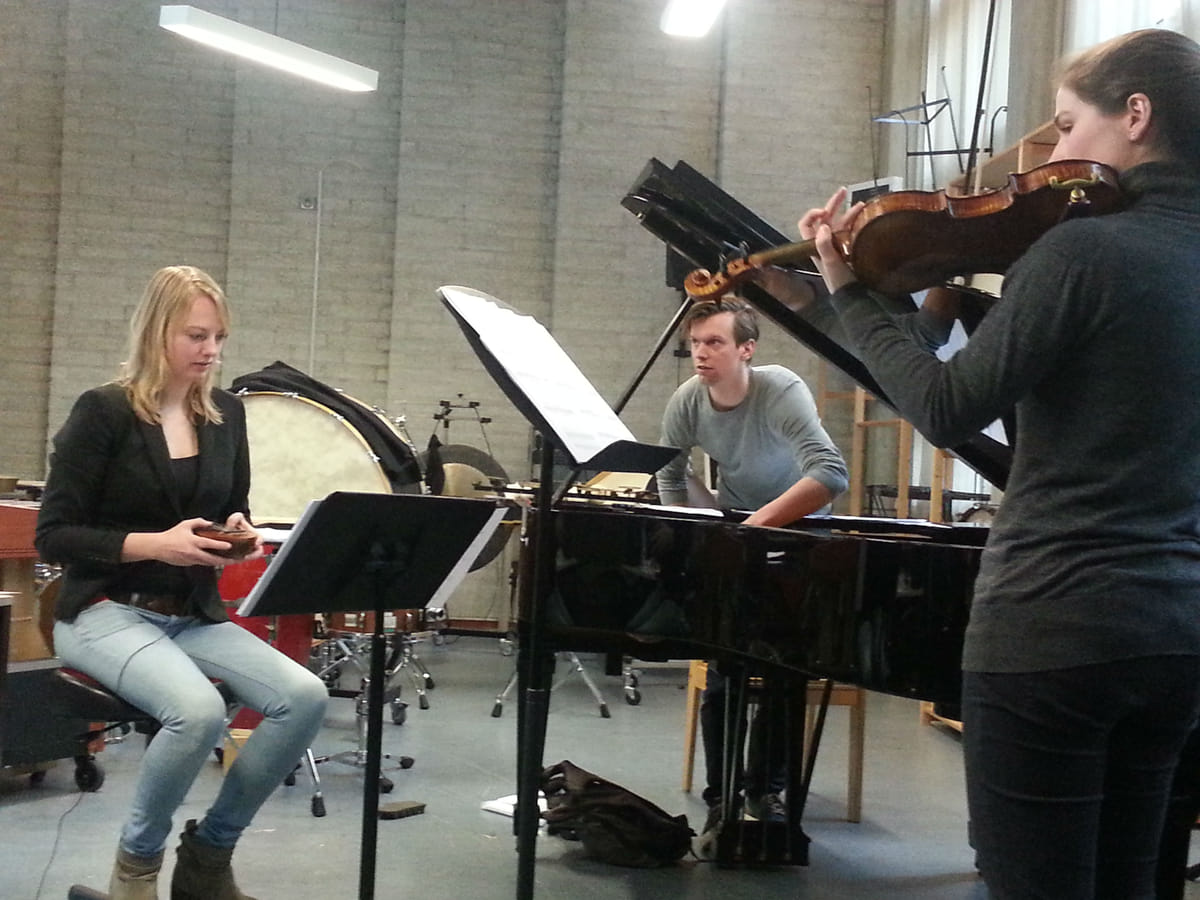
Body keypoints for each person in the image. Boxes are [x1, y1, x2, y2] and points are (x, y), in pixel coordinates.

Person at [797, 28, 1200, 899]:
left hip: (1056, 628)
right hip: (1179, 636)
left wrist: (851, 295)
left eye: (1067, 126)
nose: (1054, 157)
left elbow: (946, 407)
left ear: (1136, 114)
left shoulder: (1082, 253)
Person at [35, 265, 329, 900]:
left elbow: (234, 505)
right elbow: (53, 535)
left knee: (304, 696)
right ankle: (136, 870)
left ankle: (209, 856)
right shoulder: (103, 411)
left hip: (190, 613)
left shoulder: (226, 414)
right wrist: (157, 544)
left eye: (219, 337)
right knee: (196, 712)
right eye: (197, 335)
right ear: (157, 331)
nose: (211, 350)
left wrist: (236, 531)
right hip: (103, 610)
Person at [655, 296, 848, 841]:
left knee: (786, 670)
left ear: (746, 349)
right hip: (739, 529)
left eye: (714, 342)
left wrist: (751, 529)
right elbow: (670, 474)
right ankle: (722, 796)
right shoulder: (688, 400)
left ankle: (767, 790)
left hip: (799, 531)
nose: (701, 353)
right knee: (724, 672)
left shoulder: (780, 388)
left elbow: (831, 474)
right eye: (695, 343)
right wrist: (691, 537)